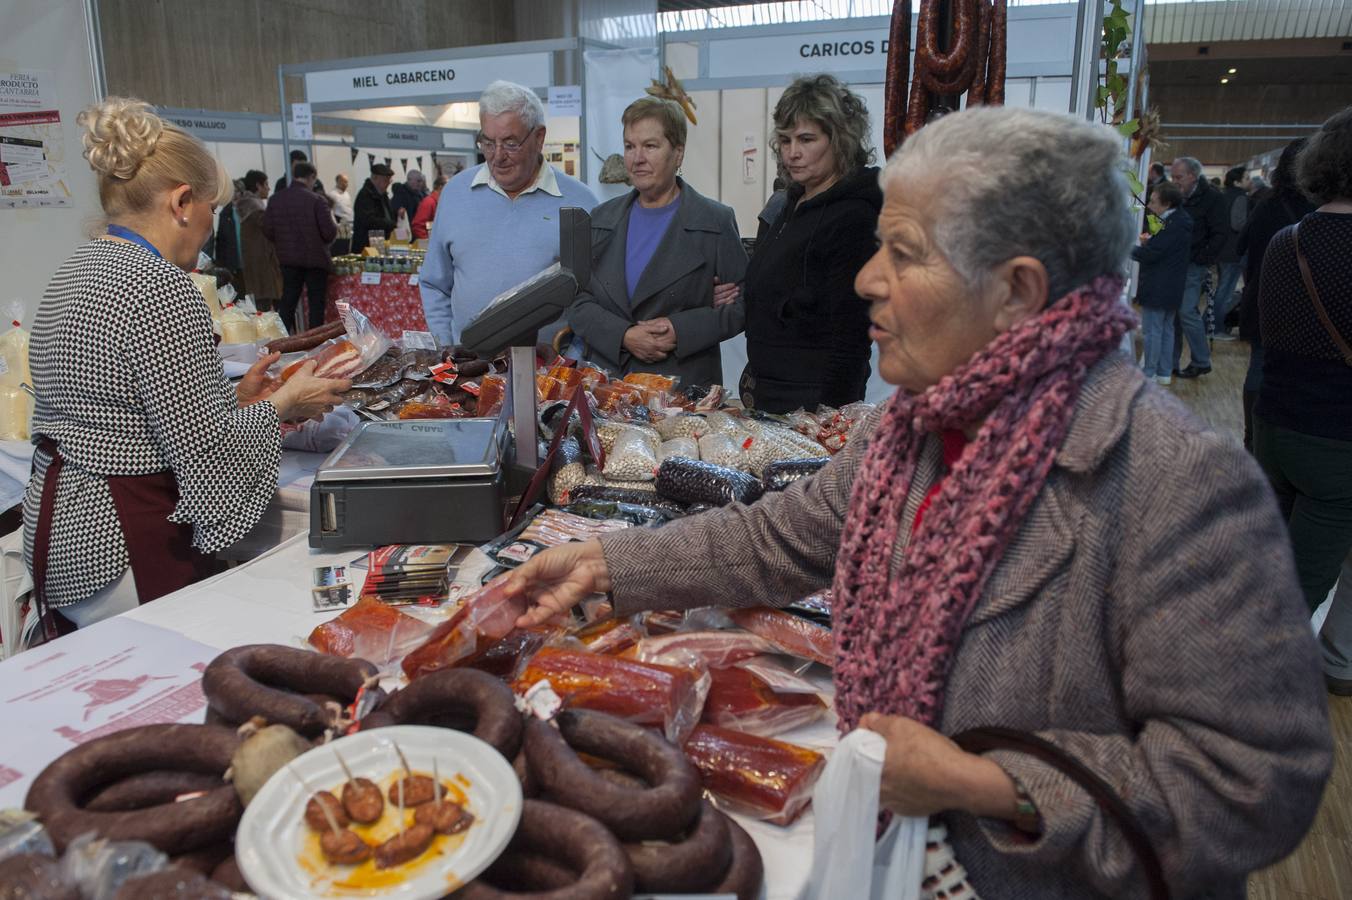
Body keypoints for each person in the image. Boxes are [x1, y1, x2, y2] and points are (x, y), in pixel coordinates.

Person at [502, 106, 1332, 897]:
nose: (868, 279)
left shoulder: (1177, 484)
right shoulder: (916, 427)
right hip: (898, 853)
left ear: (1016, 290)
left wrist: (986, 785)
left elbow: (1255, 783)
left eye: (903, 253)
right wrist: (609, 561)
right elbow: (779, 537)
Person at [23, 98, 350, 635]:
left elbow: (131, 408)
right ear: (181, 201)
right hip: (120, 531)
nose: (209, 226)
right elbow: (204, 452)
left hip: (60, 525)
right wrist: (286, 404)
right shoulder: (161, 287)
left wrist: (237, 401)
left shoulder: (77, 266)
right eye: (210, 210)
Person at [1253, 105, 1352, 649]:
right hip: (1337, 438)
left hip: (1278, 422)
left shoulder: (1286, 241)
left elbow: (1270, 330)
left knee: (1275, 568)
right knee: (1298, 591)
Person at [567, 98, 746, 386]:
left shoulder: (715, 221)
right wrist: (623, 335)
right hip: (606, 387)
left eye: (650, 146)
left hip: (682, 388)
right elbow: (574, 300)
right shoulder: (597, 220)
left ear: (678, 153)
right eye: (629, 146)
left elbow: (744, 305)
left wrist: (682, 329)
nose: (637, 159)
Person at [740, 74, 881, 413]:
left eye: (806, 139)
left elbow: (850, 334)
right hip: (768, 391)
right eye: (785, 140)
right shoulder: (794, 202)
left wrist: (828, 418)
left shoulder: (854, 216)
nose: (793, 153)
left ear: (840, 140)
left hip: (812, 402)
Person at [420, 81, 598, 346]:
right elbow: (434, 283)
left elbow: (595, 298)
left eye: (510, 143)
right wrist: (445, 346)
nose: (497, 156)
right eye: (488, 143)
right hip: (469, 371)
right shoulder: (455, 193)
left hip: (549, 373)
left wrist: (572, 359)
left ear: (539, 138)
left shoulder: (581, 202)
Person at [1236, 138, 1313, 450]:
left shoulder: (1266, 203)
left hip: (1261, 295)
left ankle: (1253, 435)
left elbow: (1242, 248)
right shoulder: (1316, 208)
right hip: (1304, 302)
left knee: (1259, 364)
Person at [1169, 157, 1229, 378]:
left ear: (1193, 176)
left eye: (1178, 177)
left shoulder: (1213, 198)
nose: (1174, 181)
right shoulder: (1176, 196)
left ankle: (1201, 360)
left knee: (1186, 311)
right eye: (1172, 176)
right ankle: (1171, 362)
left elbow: (1220, 233)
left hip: (1193, 264)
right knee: (1174, 313)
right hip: (1173, 262)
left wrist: (1202, 258)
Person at [264, 161, 338, 332]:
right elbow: (329, 232)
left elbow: (267, 229)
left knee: (288, 302)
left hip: (288, 259)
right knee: (316, 305)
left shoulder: (276, 199)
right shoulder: (317, 200)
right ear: (311, 177)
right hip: (315, 260)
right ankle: (314, 343)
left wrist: (283, 241)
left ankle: (281, 340)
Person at [1131, 181, 1191, 385]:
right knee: (1166, 329)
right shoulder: (1179, 221)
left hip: (1159, 285)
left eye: (1154, 201)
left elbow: (1154, 254)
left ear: (1166, 204)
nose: (1149, 204)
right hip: (1171, 285)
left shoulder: (1174, 224)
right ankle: (1163, 371)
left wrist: (1128, 248)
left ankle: (1149, 372)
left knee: (1152, 331)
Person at [1212, 165, 1249, 338]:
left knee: (1221, 289)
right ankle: (1217, 328)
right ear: (1237, 181)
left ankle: (1211, 324)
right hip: (1233, 250)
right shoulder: (1241, 198)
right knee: (1226, 292)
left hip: (1221, 249)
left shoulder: (1223, 195)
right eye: (1246, 178)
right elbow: (1238, 223)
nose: (1248, 181)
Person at [237, 168, 282, 311]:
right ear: (258, 186)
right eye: (266, 184)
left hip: (256, 266)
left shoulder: (249, 206)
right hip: (262, 266)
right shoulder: (256, 209)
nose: (269, 188)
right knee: (264, 308)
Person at [352, 163, 396, 253]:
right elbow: (368, 220)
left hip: (380, 243)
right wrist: (390, 224)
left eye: (389, 181)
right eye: (385, 180)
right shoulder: (365, 195)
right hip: (366, 246)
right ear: (375, 178)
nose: (388, 184)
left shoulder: (383, 195)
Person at [411, 173, 446, 241]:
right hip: (429, 246)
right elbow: (417, 226)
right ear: (441, 186)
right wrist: (428, 243)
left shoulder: (440, 202)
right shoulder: (429, 202)